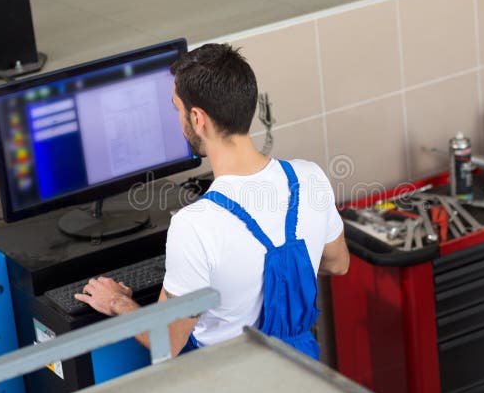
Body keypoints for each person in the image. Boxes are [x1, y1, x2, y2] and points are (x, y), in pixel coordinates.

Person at [74, 43, 349, 359]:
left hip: (229, 387)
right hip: (304, 372)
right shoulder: (309, 178)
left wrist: (116, 302)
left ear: (197, 118)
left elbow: (168, 342)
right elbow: (337, 264)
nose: (179, 119)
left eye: (177, 108)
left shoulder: (195, 225)